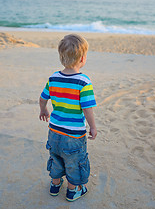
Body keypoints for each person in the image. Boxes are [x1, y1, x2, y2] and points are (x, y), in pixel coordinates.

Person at [39, 34, 97, 202]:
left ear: (61, 57)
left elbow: (43, 98)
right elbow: (87, 109)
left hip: (54, 130)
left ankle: (55, 185)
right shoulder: (83, 82)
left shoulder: (53, 78)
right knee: (74, 161)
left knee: (56, 157)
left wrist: (43, 110)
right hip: (74, 135)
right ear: (83, 58)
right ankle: (73, 191)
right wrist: (92, 127)